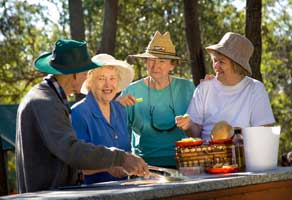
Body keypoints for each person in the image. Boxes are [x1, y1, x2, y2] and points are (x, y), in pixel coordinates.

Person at [15, 39, 149, 193]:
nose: (86, 77)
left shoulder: (50, 97)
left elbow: (61, 158)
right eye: (85, 72)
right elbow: (71, 151)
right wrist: (120, 158)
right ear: (73, 74)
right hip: (47, 194)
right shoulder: (45, 101)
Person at [176, 32, 275, 140]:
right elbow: (195, 134)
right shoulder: (204, 88)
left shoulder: (255, 89)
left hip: (240, 154)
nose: (216, 66)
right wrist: (189, 125)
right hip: (206, 154)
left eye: (221, 62)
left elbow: (265, 132)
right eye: (215, 60)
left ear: (237, 66)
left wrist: (238, 134)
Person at [119, 31, 195, 168]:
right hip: (144, 166)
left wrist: (190, 123)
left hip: (184, 162)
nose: (155, 66)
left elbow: (201, 126)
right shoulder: (131, 91)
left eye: (162, 61)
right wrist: (116, 106)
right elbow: (118, 129)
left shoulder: (187, 88)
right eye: (151, 60)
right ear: (145, 62)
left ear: (172, 65)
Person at [71, 54, 134, 184]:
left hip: (125, 189)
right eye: (101, 78)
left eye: (112, 78)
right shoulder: (79, 112)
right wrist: (108, 167)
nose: (108, 84)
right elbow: (77, 164)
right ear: (90, 82)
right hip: (92, 192)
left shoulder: (120, 110)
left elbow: (126, 152)